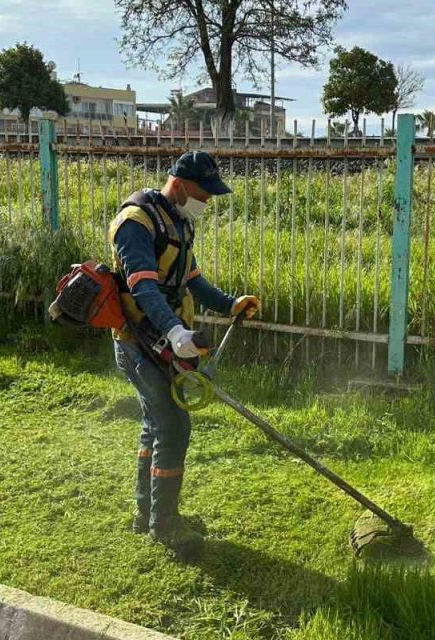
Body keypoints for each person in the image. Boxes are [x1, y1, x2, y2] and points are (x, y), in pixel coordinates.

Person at [109, 150, 259, 557]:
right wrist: (175, 332)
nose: (206, 201)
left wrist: (229, 304)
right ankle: (165, 525)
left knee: (155, 424)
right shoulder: (136, 223)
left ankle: (148, 512)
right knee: (173, 425)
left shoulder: (178, 221)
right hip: (138, 342)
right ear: (179, 185)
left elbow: (192, 280)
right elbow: (142, 287)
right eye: (202, 193)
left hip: (163, 340)